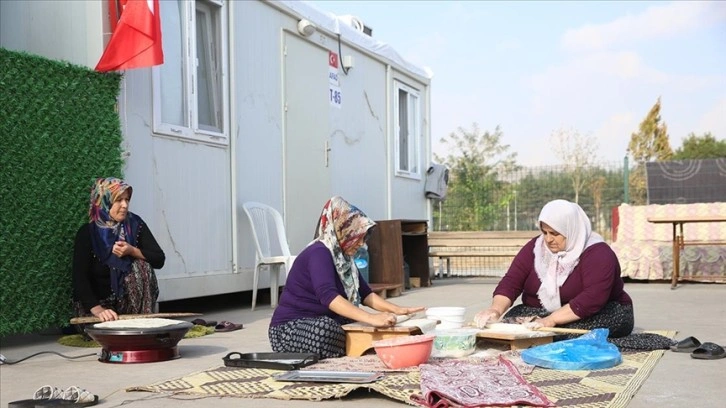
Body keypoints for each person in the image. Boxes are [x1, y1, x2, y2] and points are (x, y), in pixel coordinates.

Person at [269, 196, 425, 359]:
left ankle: (359, 345)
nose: (361, 243)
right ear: (342, 230)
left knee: (353, 323)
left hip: (325, 321)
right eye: (357, 237)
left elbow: (365, 294)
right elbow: (328, 297)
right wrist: (371, 318)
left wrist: (397, 310)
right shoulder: (319, 253)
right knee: (328, 329)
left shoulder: (343, 259)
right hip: (290, 329)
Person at [474, 199, 634, 338]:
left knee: (558, 331)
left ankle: (545, 333)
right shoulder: (536, 247)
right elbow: (511, 282)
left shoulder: (598, 253)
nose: (548, 239)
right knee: (509, 325)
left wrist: (551, 321)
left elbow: (593, 298)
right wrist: (495, 310)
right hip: (543, 311)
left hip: (598, 312)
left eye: (555, 233)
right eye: (544, 232)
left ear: (570, 230)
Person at [72, 177, 165, 323]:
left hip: (127, 307)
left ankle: (141, 320)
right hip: (96, 309)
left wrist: (132, 251)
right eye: (118, 200)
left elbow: (159, 259)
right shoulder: (88, 233)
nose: (125, 205)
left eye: (127, 199)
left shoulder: (135, 224)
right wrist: (98, 310)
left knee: (142, 266)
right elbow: (79, 279)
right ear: (103, 200)